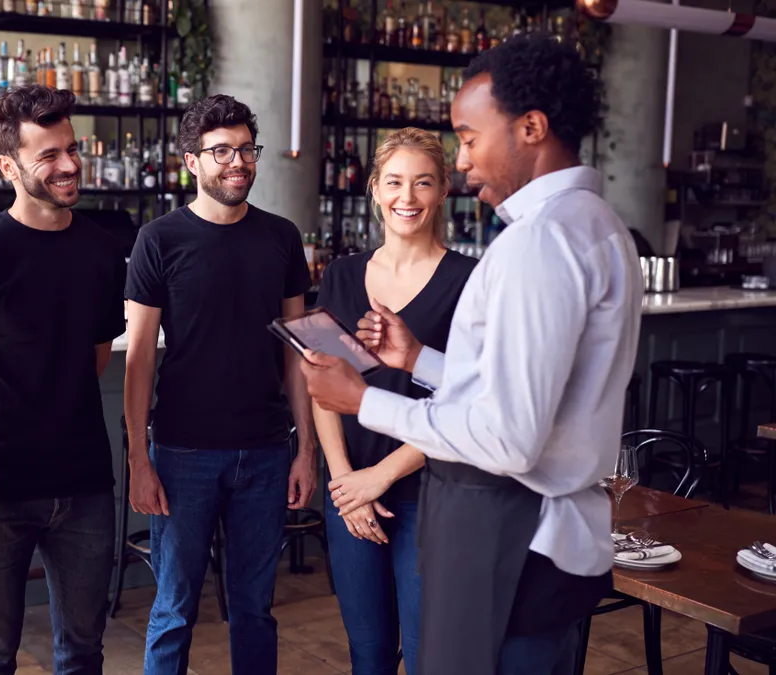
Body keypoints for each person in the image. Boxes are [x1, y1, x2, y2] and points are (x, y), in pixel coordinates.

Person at [300, 36, 642, 675]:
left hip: (513, 537)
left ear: (531, 128)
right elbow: (524, 385)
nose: (463, 162)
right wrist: (421, 361)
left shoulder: (537, 243)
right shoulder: (596, 223)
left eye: (469, 137)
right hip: (550, 537)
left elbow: (509, 436)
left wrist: (365, 400)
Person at [0, 84, 125, 675]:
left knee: (84, 652)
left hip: (86, 481)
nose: (68, 165)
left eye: (71, 148)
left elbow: (96, 354)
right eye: (48, 155)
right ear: (8, 166)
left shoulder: (101, 250)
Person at [124, 94, 316, 675]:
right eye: (222, 151)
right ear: (192, 161)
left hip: (265, 449)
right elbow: (138, 361)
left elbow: (298, 351)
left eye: (246, 149)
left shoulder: (282, 238)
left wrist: (305, 449)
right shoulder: (158, 240)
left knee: (256, 608)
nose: (238, 162)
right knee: (174, 609)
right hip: (183, 452)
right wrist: (138, 458)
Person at [314, 128, 477, 675]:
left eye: (423, 183)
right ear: (375, 190)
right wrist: (345, 483)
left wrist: (380, 476)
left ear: (444, 190)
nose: (408, 197)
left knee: (431, 651)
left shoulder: (469, 281)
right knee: (369, 653)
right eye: (396, 183)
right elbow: (322, 384)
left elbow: (468, 401)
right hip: (348, 493)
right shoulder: (340, 275)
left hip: (430, 493)